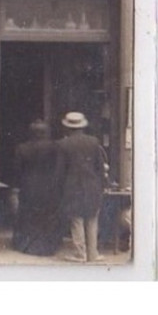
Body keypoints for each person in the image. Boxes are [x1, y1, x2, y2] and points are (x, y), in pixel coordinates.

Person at [56, 111, 107, 263]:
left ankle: (80, 253)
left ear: (67, 127)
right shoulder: (94, 141)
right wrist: (101, 184)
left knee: (76, 219)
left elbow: (60, 170)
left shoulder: (63, 144)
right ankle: (93, 253)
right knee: (92, 218)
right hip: (92, 185)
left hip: (72, 186)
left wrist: (58, 188)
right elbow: (100, 166)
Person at [12, 119, 64, 256]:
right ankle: (47, 247)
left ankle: (27, 247)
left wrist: (16, 188)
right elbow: (59, 169)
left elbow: (17, 171)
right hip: (49, 187)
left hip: (28, 187)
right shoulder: (55, 147)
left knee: (28, 217)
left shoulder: (22, 148)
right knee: (46, 217)